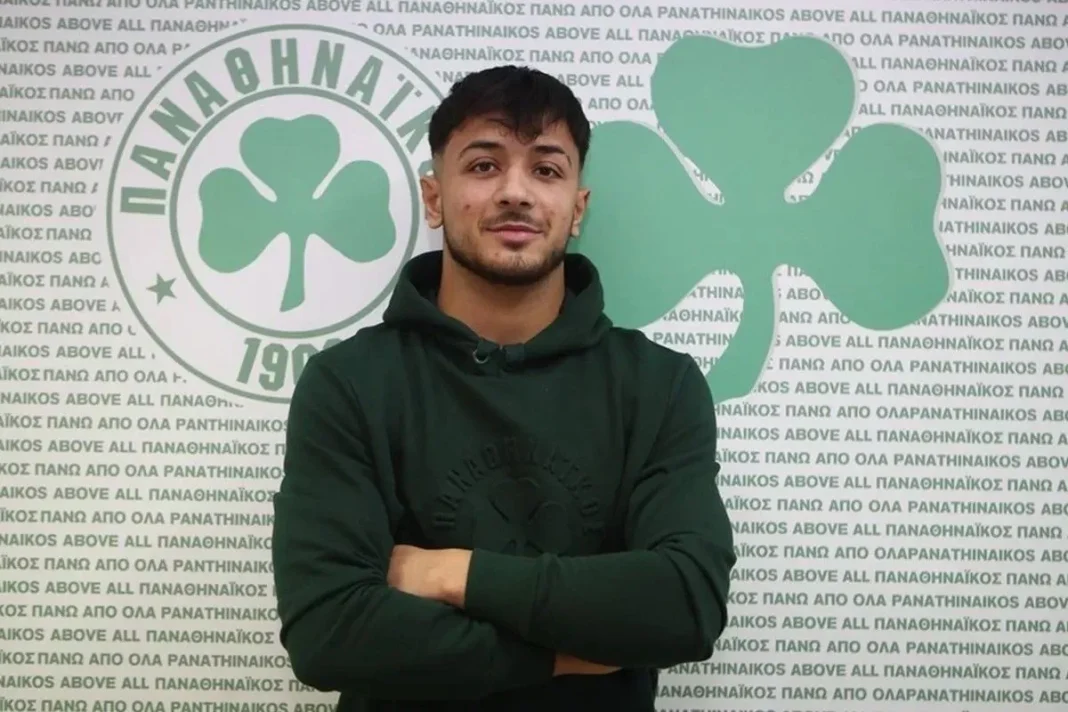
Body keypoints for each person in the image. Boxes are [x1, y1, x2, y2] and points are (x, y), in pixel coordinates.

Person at [271, 65, 736, 712]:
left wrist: (448, 572)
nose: (516, 192)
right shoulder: (350, 383)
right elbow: (330, 632)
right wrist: (561, 656)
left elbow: (686, 602)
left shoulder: (659, 385)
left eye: (546, 169)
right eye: (484, 166)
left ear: (577, 207)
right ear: (435, 198)